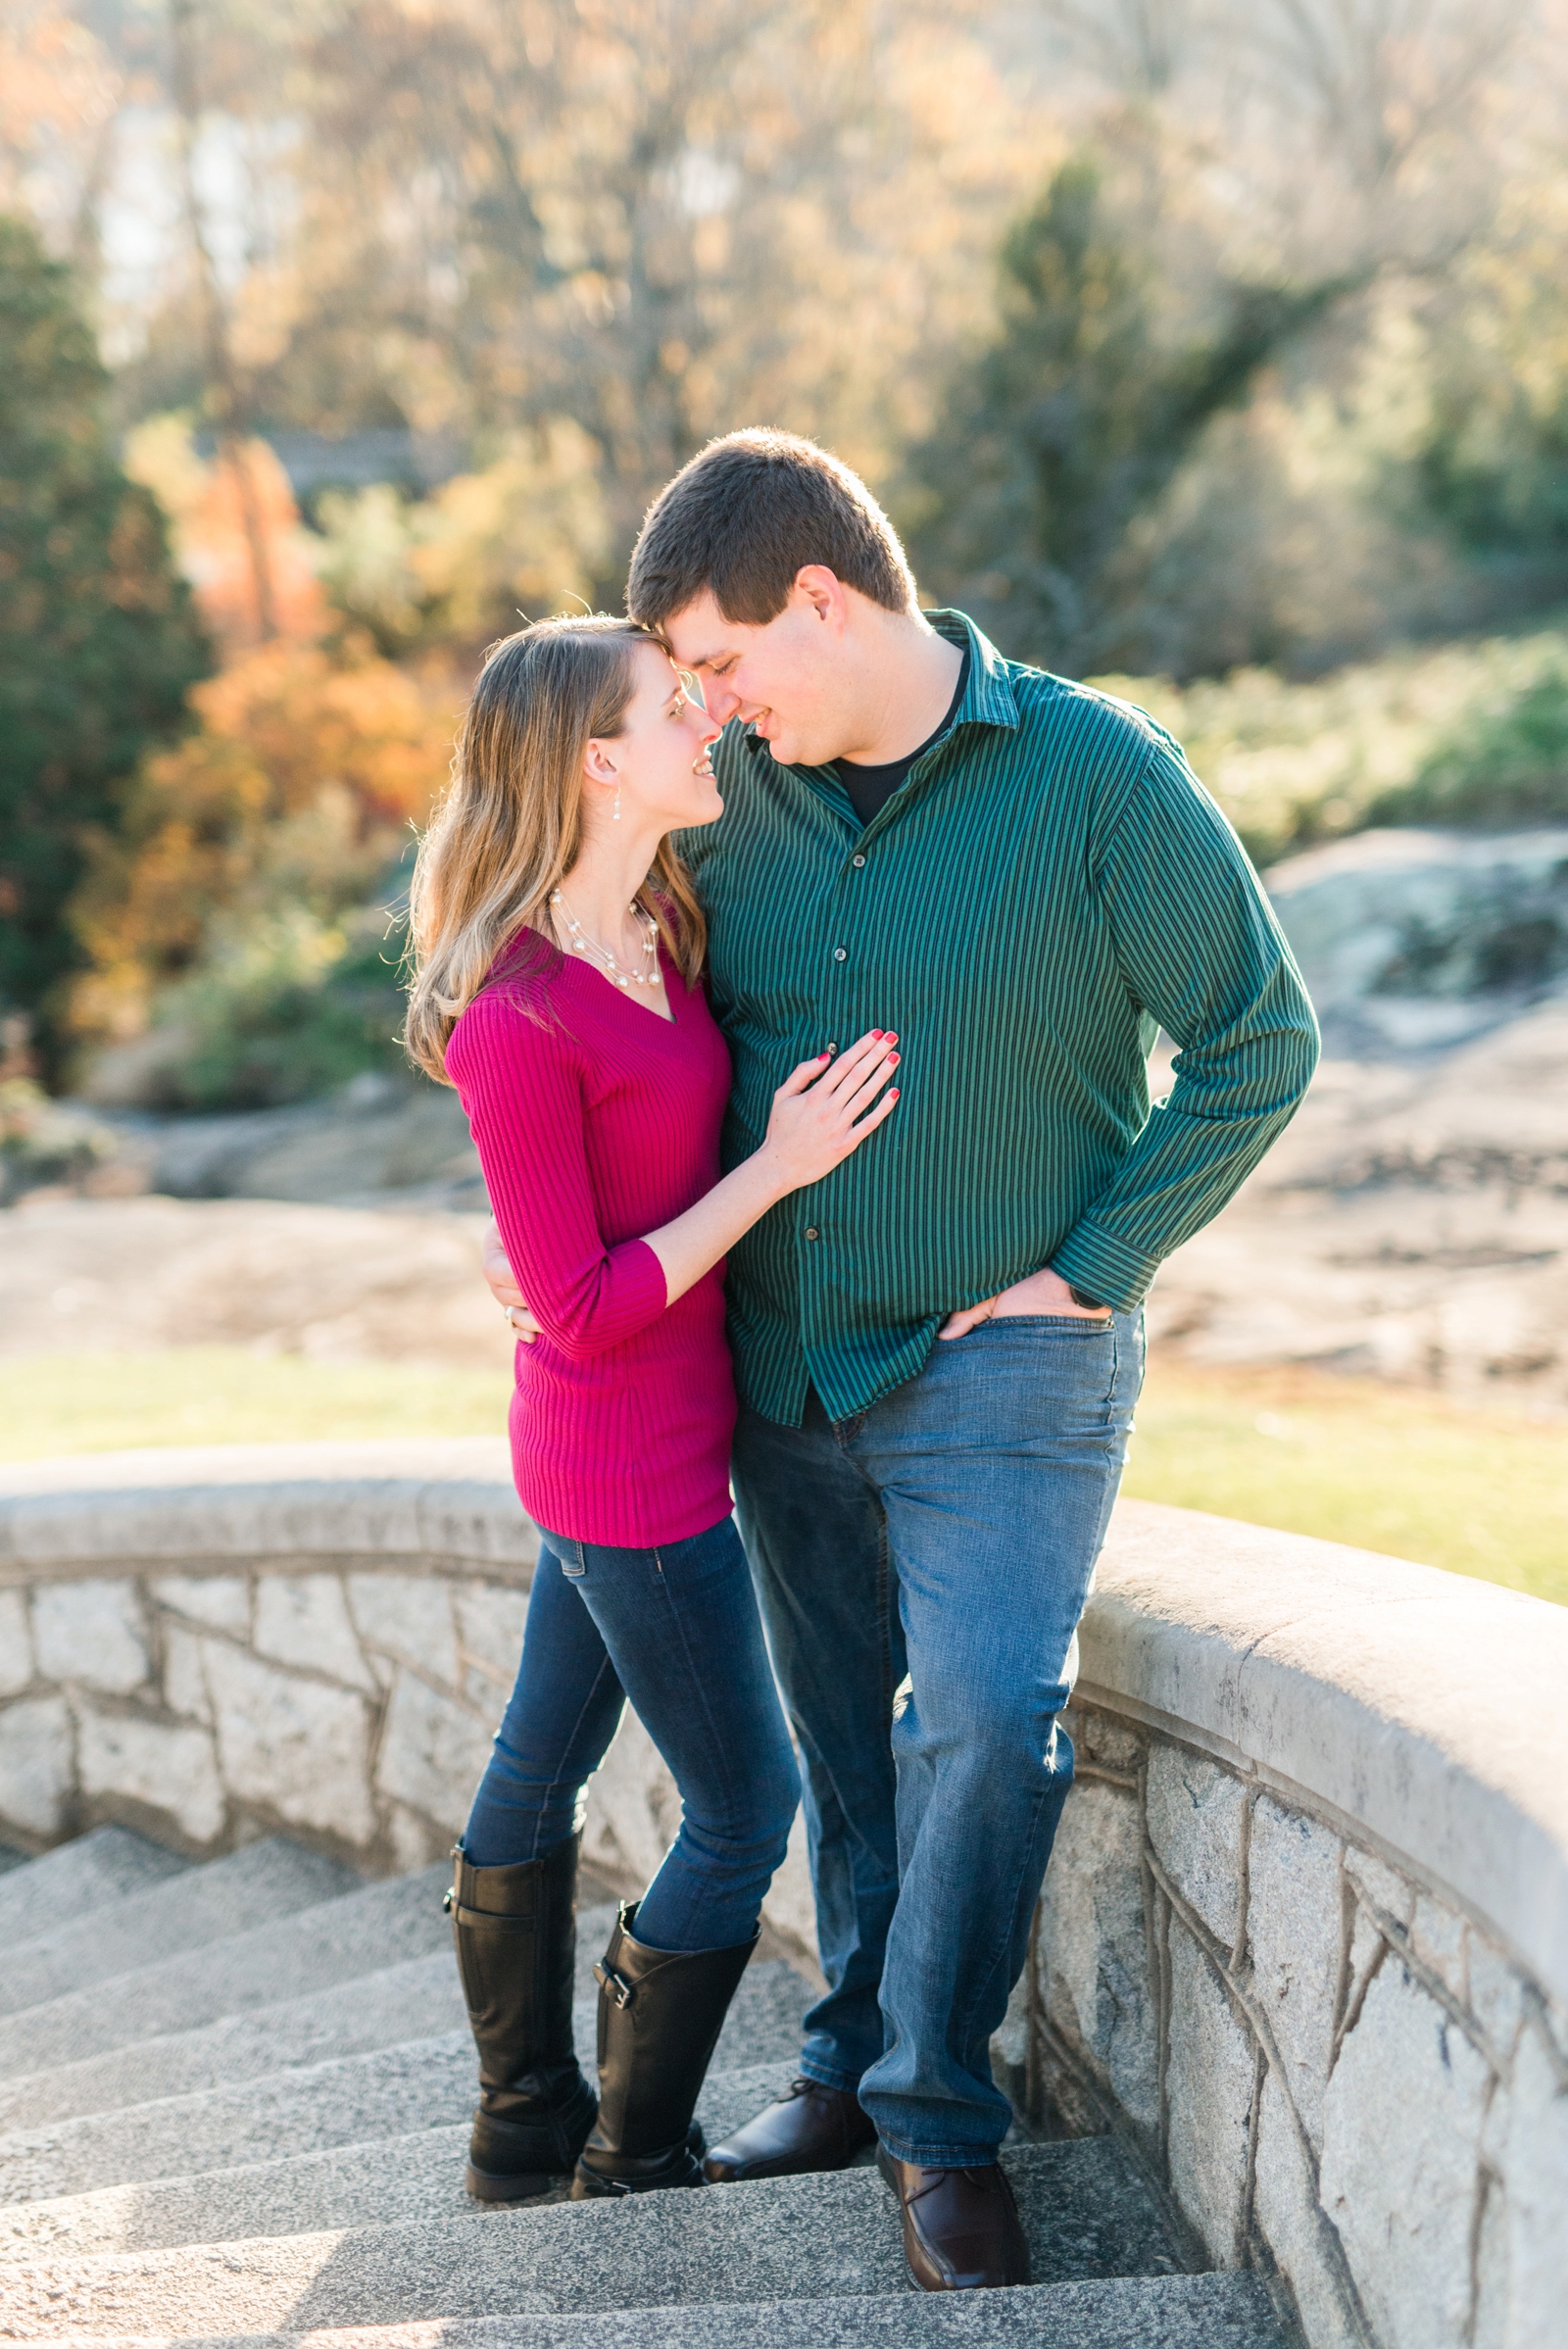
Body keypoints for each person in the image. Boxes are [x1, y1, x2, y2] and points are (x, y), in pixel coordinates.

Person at [484, 430, 1320, 2291]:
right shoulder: (734, 805)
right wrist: (545, 1229)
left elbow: (1260, 1040)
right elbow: (591, 1005)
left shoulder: (1097, 778)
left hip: (1009, 1364)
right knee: (844, 1749)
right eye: (681, 688)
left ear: (823, 599)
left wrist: (1093, 1263)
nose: (707, 706)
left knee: (988, 1715)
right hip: (780, 1372)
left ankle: (940, 2118)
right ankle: (848, 2065)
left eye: (720, 663)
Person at [405, 613, 900, 2203]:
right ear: (594, 759)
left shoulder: (662, 926)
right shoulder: (517, 1014)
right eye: (670, 706)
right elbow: (588, 1305)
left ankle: (519, 2123)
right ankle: (632, 2148)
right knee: (748, 1809)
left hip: (643, 1442)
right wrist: (780, 1166)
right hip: (632, 1472)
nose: (707, 723)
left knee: (536, 1763)